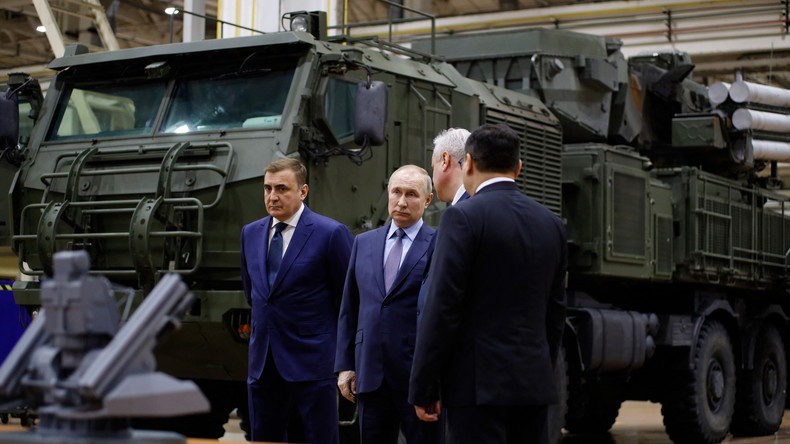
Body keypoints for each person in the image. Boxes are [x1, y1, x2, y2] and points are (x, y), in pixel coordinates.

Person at [409, 124, 568, 444]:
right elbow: (555, 314)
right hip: (532, 387)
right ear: (518, 168)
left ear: (468, 163)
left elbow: (442, 308)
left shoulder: (462, 218)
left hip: (475, 388)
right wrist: (540, 371)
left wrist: (424, 386)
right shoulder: (551, 224)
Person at [240, 158, 354, 444]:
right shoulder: (250, 233)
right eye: (267, 188)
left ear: (303, 191)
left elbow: (348, 301)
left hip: (313, 363)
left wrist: (345, 360)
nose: (272, 196)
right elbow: (255, 295)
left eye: (281, 188)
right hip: (263, 364)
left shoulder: (331, 233)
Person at [335, 165, 440, 444]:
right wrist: (345, 365)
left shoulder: (439, 244)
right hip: (370, 375)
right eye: (396, 192)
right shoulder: (363, 243)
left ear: (428, 200)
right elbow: (349, 308)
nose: (402, 201)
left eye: (411, 194)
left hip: (417, 378)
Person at [430, 128, 471, 205]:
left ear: (445, 160)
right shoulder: (485, 200)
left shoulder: (462, 209)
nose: (432, 180)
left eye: (433, 168)